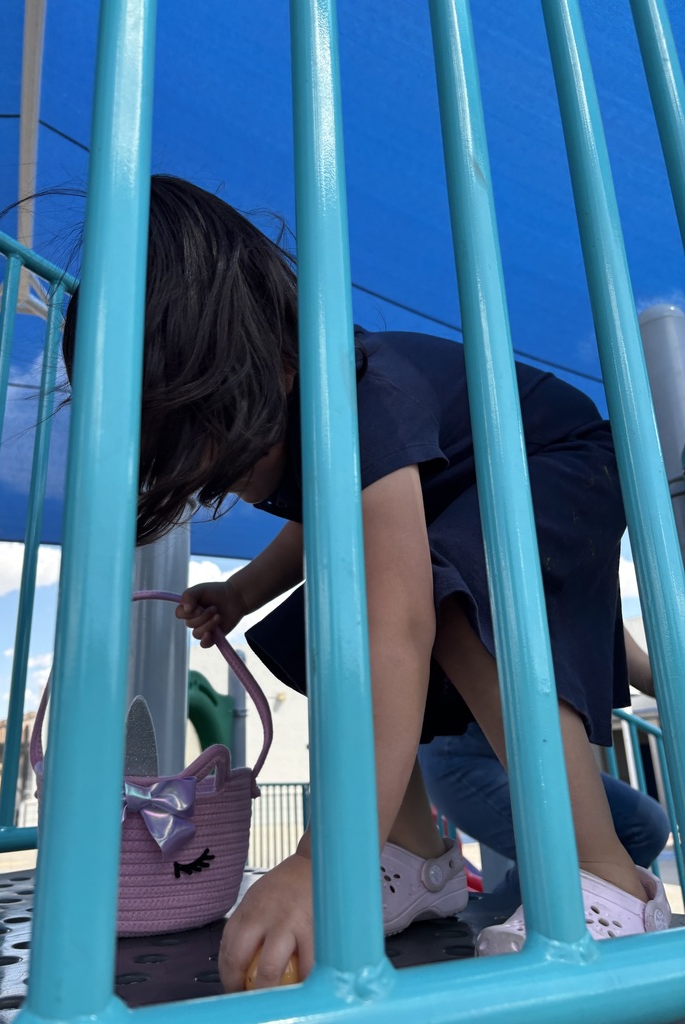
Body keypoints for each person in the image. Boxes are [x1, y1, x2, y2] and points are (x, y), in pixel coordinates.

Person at [62, 175, 671, 990]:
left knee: (428, 600)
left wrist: (325, 861)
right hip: (458, 491)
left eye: (220, 442)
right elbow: (322, 529)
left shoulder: (356, 395)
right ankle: (419, 856)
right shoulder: (300, 425)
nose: (234, 479)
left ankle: (606, 872)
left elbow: (397, 633)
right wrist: (243, 593)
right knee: (326, 624)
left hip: (553, 463)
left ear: (274, 367)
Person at [418, 627, 670, 908]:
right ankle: (506, 923)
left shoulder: (586, 594)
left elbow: (642, 669)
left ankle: (507, 917)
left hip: (528, 740)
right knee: (571, 853)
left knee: (645, 826)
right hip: (463, 745)